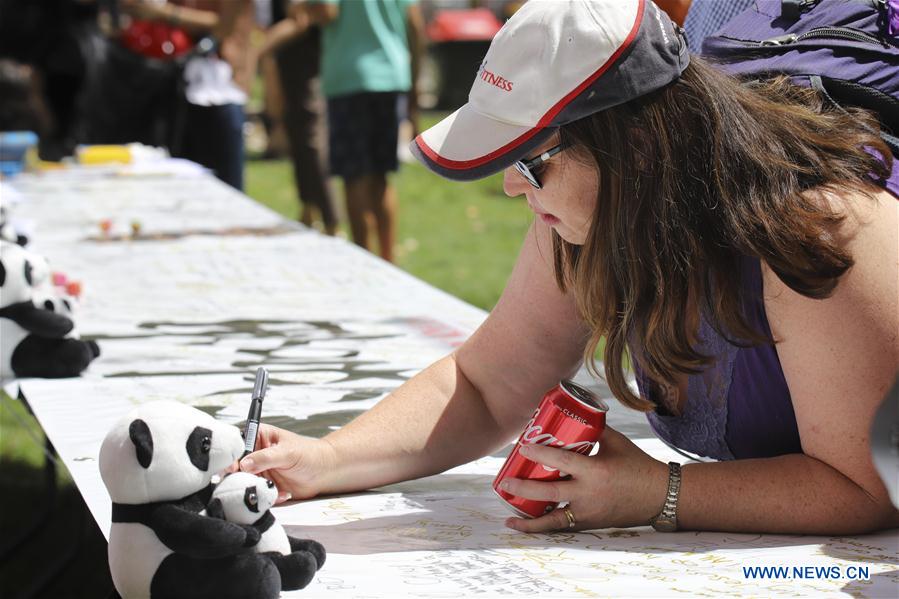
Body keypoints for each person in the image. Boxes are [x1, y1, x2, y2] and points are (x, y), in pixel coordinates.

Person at [239, 0, 899, 535]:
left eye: (529, 161)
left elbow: (863, 486)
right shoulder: (598, 213)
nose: (510, 189)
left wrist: (658, 492)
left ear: (634, 145)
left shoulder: (817, 226)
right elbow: (484, 382)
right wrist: (323, 459)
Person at [288, 0, 425, 261]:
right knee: (382, 178)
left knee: (355, 178)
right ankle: (388, 262)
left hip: (349, 79)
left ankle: (365, 264)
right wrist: (414, 82)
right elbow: (415, 24)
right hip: (392, 76)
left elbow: (327, 11)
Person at [258, 0, 339, 235]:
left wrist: (258, 50)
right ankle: (308, 209)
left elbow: (302, 18)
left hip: (304, 57)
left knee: (311, 138)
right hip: (287, 57)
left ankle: (331, 220)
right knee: (297, 133)